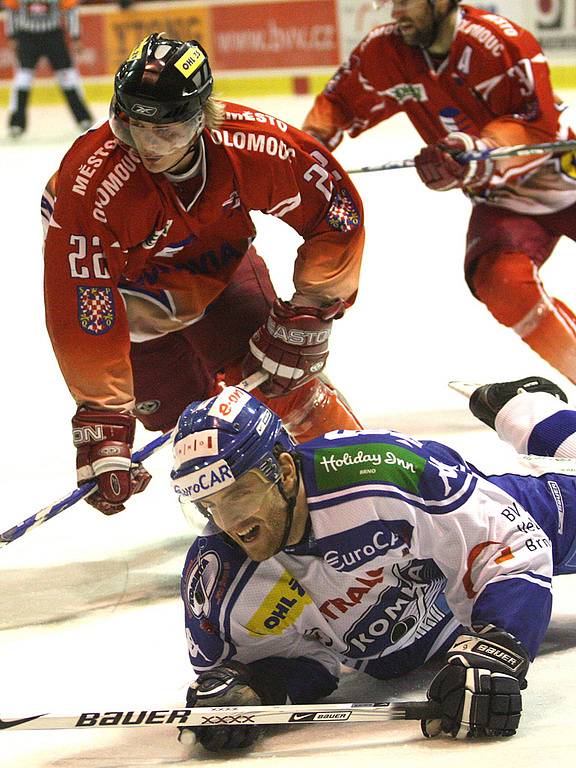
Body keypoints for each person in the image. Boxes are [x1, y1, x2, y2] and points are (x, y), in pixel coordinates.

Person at [42, 34, 365, 515]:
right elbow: (82, 301)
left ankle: (363, 484)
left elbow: (334, 210)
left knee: (287, 391)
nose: (146, 147)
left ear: (201, 118)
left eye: (166, 132)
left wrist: (311, 309)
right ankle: (249, 522)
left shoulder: (251, 143)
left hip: (219, 279)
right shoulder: (90, 188)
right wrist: (103, 417)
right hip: (132, 308)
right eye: (129, 126)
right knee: (197, 436)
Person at [169, 375, 576, 751]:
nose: (229, 523)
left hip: (489, 533)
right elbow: (299, 663)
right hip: (414, 644)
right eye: (209, 505)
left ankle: (529, 413)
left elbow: (510, 542)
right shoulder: (220, 581)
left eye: (239, 493)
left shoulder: (379, 471)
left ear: (286, 470)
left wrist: (499, 647)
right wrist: (255, 689)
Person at [302, 0, 576, 385]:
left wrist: (476, 152)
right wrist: (305, 152)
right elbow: (339, 103)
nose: (396, 14)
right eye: (392, 3)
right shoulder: (386, 50)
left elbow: (537, 123)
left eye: (406, 2)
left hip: (565, 177)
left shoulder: (498, 44)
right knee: (500, 282)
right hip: (501, 201)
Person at [5, 0, 94, 137]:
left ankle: (84, 119)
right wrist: (12, 36)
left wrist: (76, 37)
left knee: (68, 78)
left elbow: (71, 10)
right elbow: (12, 11)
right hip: (27, 37)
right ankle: (16, 123)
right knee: (23, 79)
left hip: (53, 36)